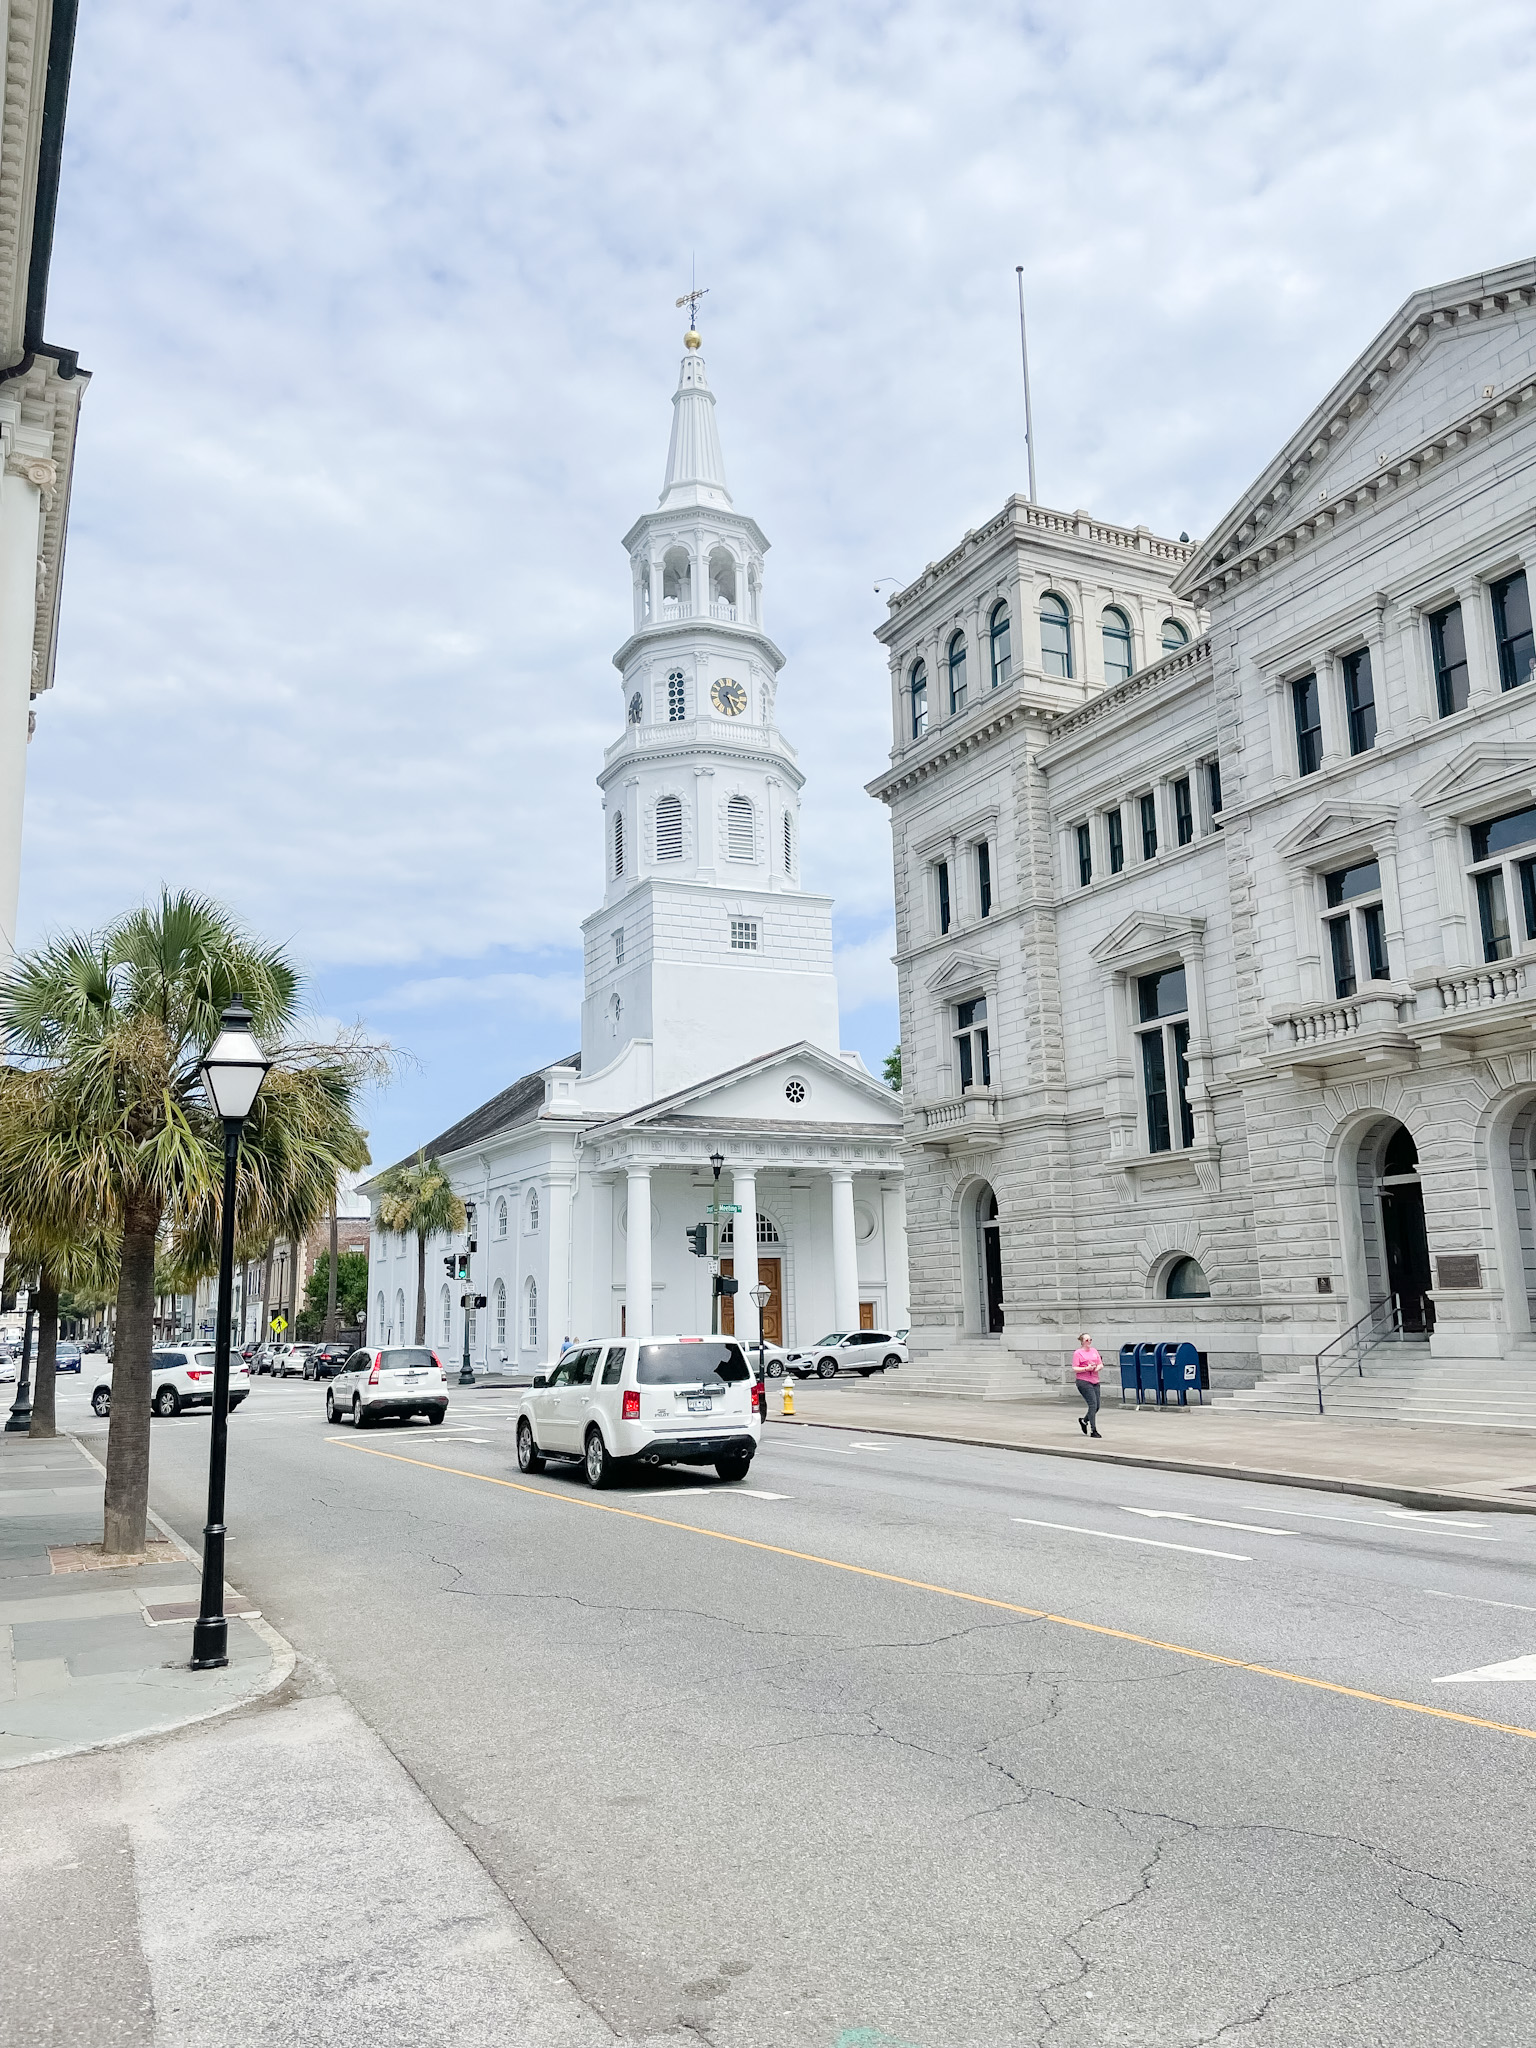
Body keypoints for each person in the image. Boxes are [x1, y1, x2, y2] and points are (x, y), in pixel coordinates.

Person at [1072, 1332, 1102, 1439]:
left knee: (1097, 1406)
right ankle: (1094, 1430)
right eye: (1087, 1340)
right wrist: (1086, 1369)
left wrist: (1096, 1368)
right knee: (1092, 1404)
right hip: (1083, 1381)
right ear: (1082, 1342)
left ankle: (1084, 1421)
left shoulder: (1094, 1351)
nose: (1089, 1342)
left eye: (1090, 1340)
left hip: (1094, 1380)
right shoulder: (1078, 1353)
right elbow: (1075, 1368)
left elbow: (1100, 1363)